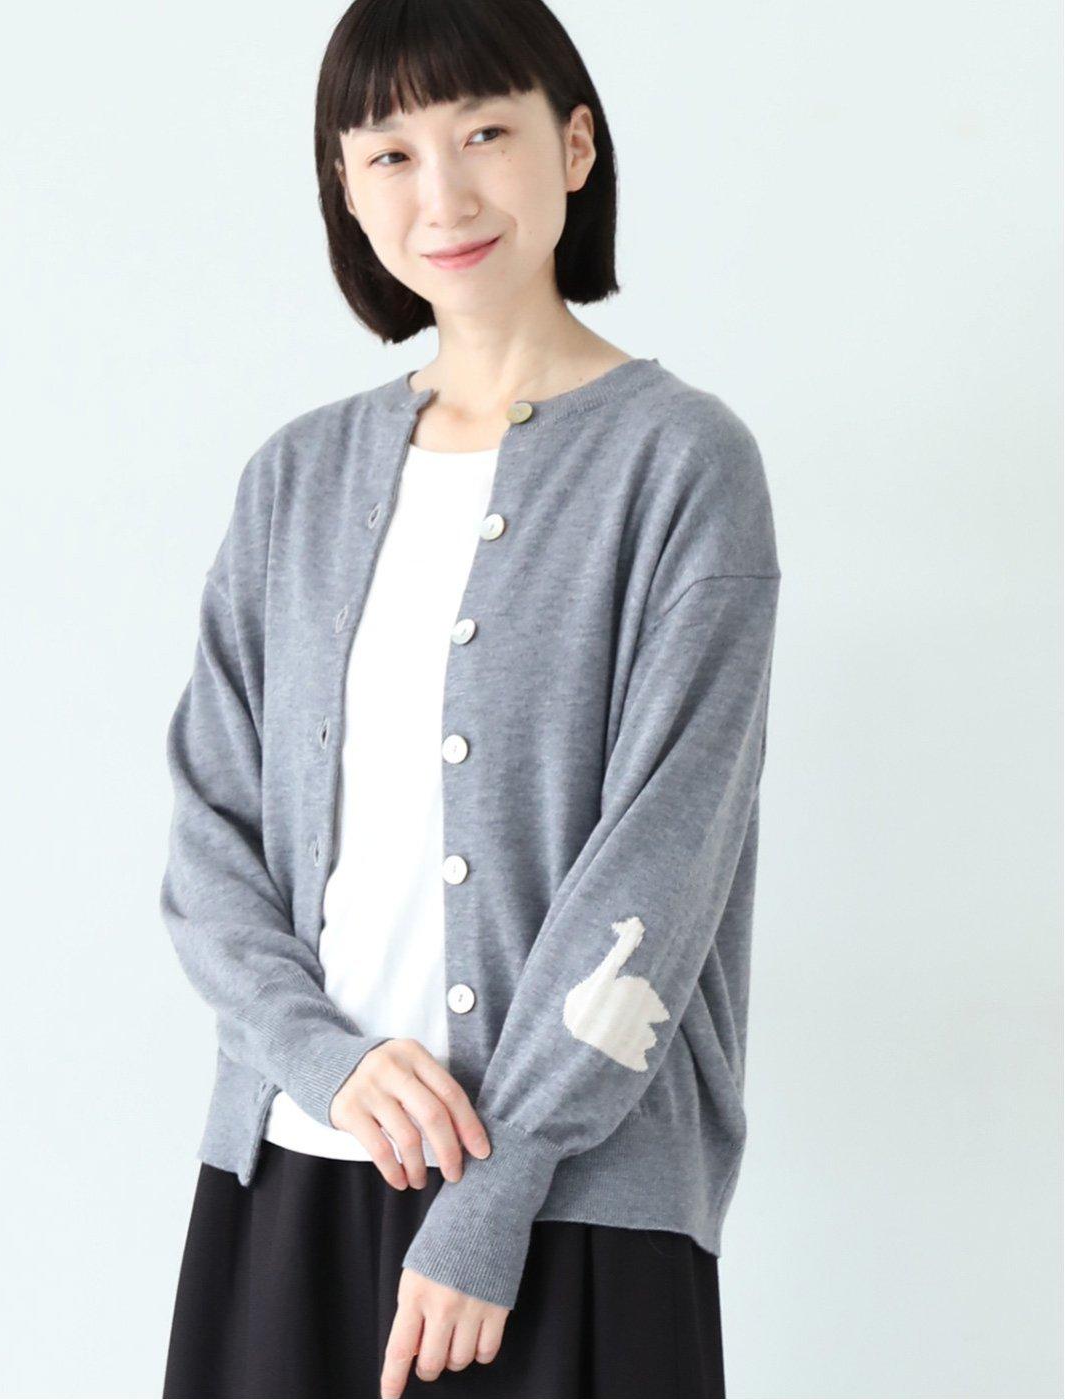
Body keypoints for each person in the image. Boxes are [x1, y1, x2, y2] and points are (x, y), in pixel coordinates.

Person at [159, 1, 781, 1395]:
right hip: (297, 1170)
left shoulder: (683, 465)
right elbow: (208, 845)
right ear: (344, 185)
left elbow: (662, 865)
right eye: (389, 153)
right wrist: (321, 1060)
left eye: (484, 133)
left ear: (575, 147)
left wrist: (496, 1194)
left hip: (575, 1199)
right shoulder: (295, 479)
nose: (441, 195)